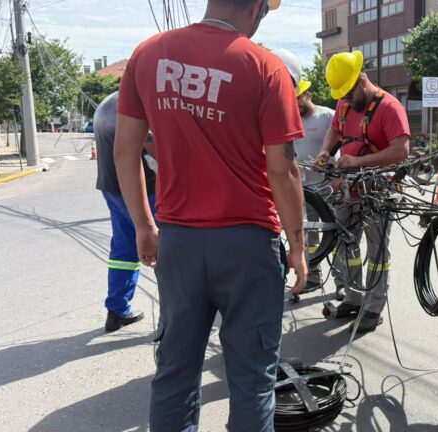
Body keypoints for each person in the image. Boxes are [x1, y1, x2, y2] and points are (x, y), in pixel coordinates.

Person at [114, 0, 307, 431]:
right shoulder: (266, 67)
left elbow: (125, 151)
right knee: (252, 380)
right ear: (256, 6)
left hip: (180, 242)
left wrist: (145, 226)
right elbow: (283, 169)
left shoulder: (148, 54)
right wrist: (298, 247)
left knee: (175, 376)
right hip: (249, 246)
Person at [316, 50, 410, 333]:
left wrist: (359, 162)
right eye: (340, 96)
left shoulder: (390, 108)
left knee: (377, 248)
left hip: (377, 189)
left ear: (362, 80)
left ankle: (373, 306)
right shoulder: (345, 106)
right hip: (347, 187)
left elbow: (401, 151)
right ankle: (354, 297)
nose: (343, 100)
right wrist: (325, 151)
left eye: (347, 93)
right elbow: (335, 131)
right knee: (346, 241)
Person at [273, 49, 336, 293]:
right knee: (308, 237)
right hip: (304, 191)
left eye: (297, 98)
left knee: (336, 236)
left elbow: (339, 145)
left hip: (329, 189)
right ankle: (312, 276)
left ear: (307, 94)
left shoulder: (326, 116)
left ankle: (342, 284)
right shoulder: (289, 119)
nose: (294, 104)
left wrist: (333, 164)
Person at [94, 91, 156, 332]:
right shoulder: (138, 101)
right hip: (144, 190)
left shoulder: (107, 102)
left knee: (124, 248)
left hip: (112, 188)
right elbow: (150, 143)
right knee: (163, 248)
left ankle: (118, 309)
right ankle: (174, 317)